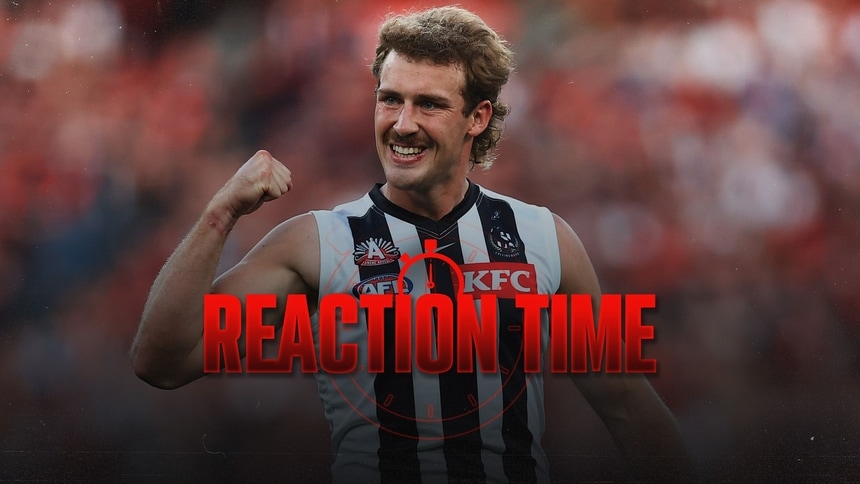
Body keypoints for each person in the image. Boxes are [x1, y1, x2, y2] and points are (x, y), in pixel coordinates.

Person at [131, 6, 695, 483]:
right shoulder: (315, 243)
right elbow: (163, 361)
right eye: (389, 99)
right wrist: (218, 214)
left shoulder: (544, 237)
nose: (401, 124)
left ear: (478, 117)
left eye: (428, 104)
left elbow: (628, 410)